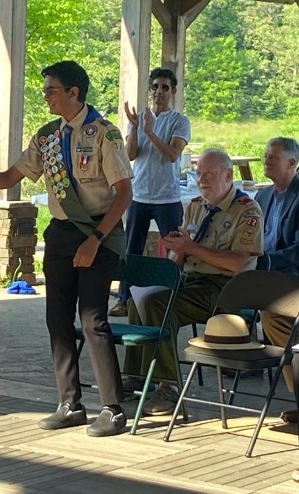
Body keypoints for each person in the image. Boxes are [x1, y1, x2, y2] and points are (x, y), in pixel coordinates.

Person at [0, 60, 133, 437]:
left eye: (51, 89)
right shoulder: (47, 136)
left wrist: (95, 239)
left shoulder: (105, 134)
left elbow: (124, 193)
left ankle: (113, 408)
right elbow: (8, 177)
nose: (46, 96)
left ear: (73, 92)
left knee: (93, 319)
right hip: (62, 234)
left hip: (100, 233)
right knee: (57, 318)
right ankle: (70, 403)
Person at [123, 148, 264, 415]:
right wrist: (177, 251)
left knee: (157, 305)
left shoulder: (246, 210)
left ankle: (168, 386)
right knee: (137, 301)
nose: (202, 180)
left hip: (226, 289)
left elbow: (236, 263)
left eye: (209, 174)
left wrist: (192, 247)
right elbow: (181, 258)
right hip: (191, 281)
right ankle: (138, 375)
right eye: (199, 174)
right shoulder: (197, 206)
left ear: (228, 175)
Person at [109, 67, 190, 317]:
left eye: (165, 87)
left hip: (167, 198)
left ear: (173, 91)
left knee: (175, 249)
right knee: (131, 250)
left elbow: (172, 154)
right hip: (139, 196)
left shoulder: (179, 120)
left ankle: (175, 297)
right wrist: (135, 128)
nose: (159, 92)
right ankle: (124, 299)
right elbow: (131, 155)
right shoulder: (142, 117)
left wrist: (150, 132)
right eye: (155, 86)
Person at [256, 137, 299, 424]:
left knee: (273, 314)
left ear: (292, 164)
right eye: (266, 155)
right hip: (264, 277)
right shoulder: (262, 196)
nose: (266, 160)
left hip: (291, 278)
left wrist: (268, 261)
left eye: (273, 156)